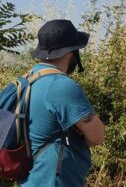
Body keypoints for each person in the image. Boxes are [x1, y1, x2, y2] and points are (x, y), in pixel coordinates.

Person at [19, 19, 105, 186]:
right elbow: (97, 136)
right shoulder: (61, 86)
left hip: (30, 179)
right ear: (71, 52)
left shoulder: (26, 80)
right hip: (55, 181)